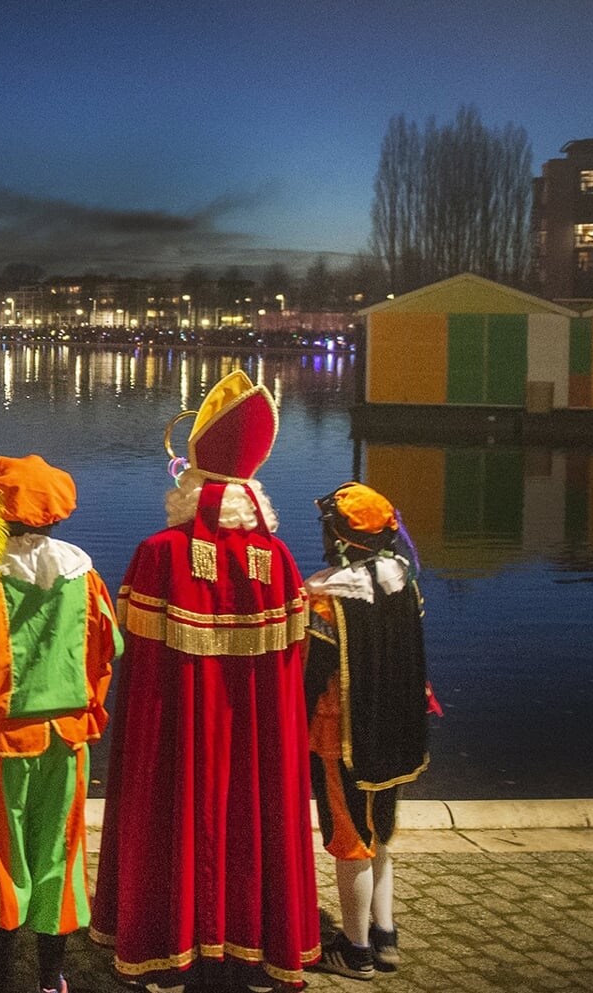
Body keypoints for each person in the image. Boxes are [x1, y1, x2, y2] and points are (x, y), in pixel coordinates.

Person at [91, 371, 320, 992]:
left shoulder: (159, 554)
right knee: (254, 815)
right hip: (257, 744)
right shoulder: (281, 560)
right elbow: (293, 664)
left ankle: (173, 940)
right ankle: (253, 945)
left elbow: (134, 662)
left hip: (176, 736)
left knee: (178, 815)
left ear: (190, 487)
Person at [0, 455, 122, 993]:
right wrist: (92, 718)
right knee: (57, 853)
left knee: (0, 860)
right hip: (68, 741)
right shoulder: (86, 577)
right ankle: (50, 981)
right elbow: (103, 658)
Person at [304, 482, 432, 980]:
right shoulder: (405, 581)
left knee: (349, 841)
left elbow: (311, 679)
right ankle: (384, 932)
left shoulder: (325, 598)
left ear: (339, 536)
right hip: (397, 730)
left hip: (343, 738)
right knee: (380, 836)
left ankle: (355, 951)